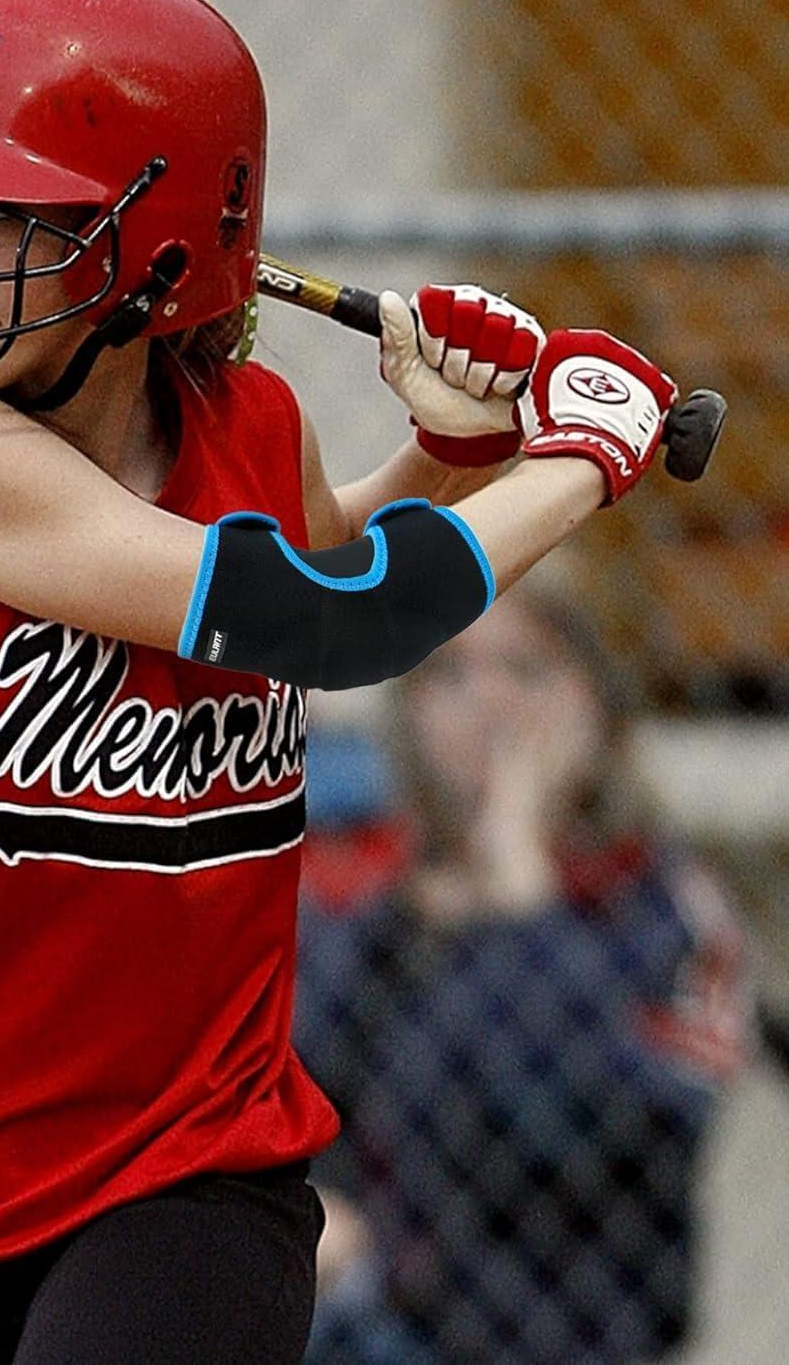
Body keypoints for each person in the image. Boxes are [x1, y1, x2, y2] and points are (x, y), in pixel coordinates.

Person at [0, 0, 682, 1364]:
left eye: (0, 214)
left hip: (184, 1162)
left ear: (160, 249)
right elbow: (328, 618)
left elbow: (332, 567)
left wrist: (451, 450)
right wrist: (582, 460)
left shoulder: (248, 422)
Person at [295, 581, 751, 1363]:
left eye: (527, 669)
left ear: (596, 706)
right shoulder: (384, 914)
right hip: (390, 1326)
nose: (491, 701)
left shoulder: (659, 906)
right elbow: (314, 1098)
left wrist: (522, 891)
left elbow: (591, 1129)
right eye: (450, 674)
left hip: (580, 1330)